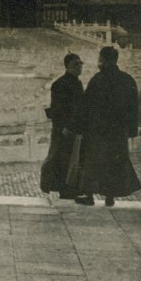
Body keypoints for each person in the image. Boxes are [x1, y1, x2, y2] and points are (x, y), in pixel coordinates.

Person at [72, 46, 141, 207]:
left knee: (92, 162)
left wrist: (78, 127)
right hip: (118, 132)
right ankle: (110, 197)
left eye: (100, 59)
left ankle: (89, 196)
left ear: (103, 60)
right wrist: (131, 130)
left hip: (97, 131)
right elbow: (133, 108)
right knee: (114, 164)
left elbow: (85, 106)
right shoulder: (127, 80)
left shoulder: (98, 80)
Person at [40, 53, 85, 200]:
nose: (79, 67)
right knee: (59, 158)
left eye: (80, 63)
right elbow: (57, 109)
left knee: (73, 159)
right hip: (63, 129)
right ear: (67, 66)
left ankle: (69, 188)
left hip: (75, 127)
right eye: (75, 64)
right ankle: (61, 189)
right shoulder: (59, 84)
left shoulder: (78, 84)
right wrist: (64, 127)